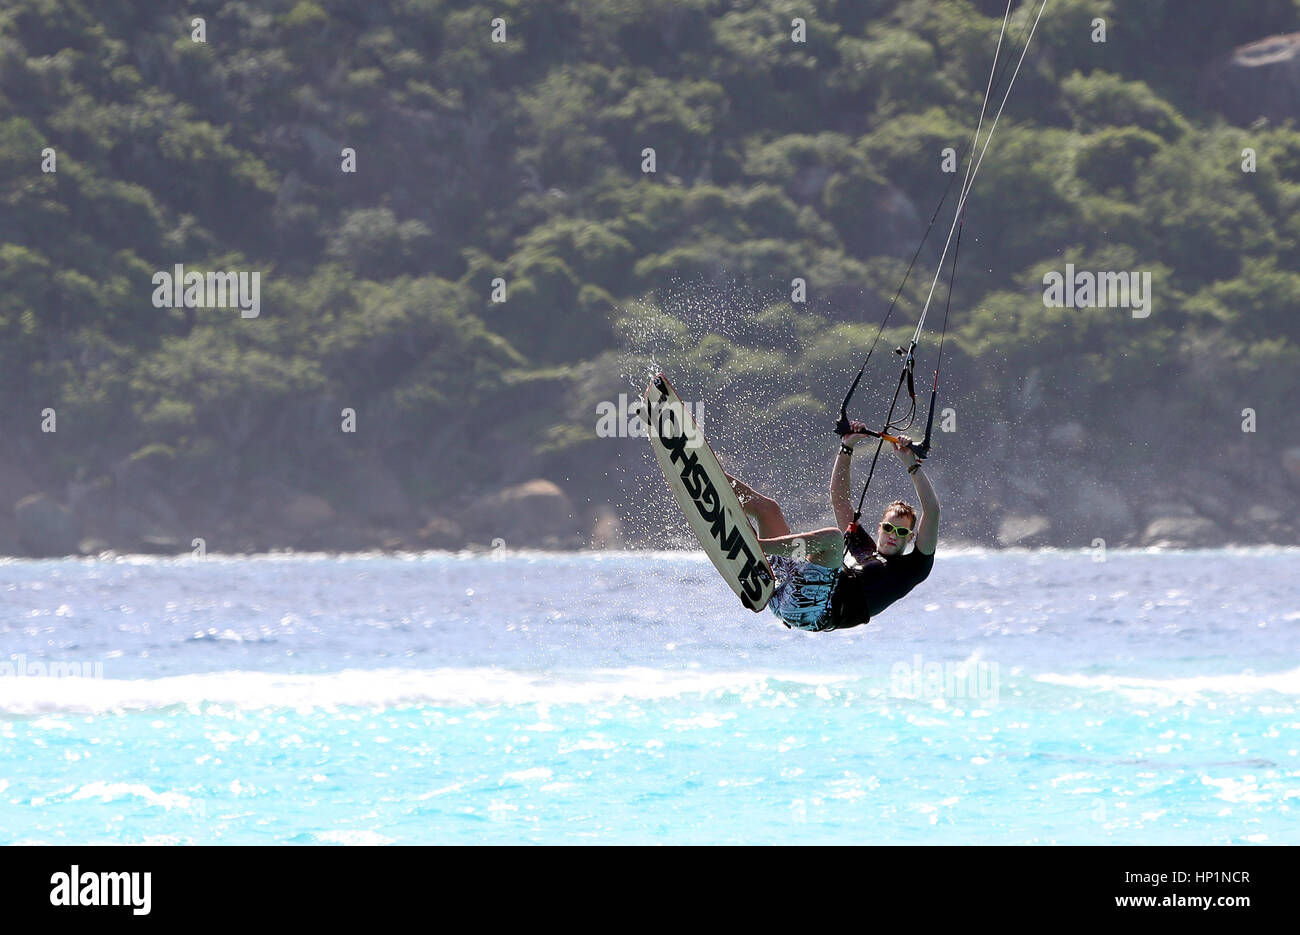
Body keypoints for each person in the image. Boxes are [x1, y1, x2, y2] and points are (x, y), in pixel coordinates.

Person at [725, 423, 938, 631]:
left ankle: (756, 548)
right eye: (890, 528)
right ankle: (705, 475)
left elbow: (932, 510)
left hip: (814, 613)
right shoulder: (864, 550)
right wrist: (846, 447)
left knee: (834, 538)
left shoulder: (914, 568)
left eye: (901, 532)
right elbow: (840, 501)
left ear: (910, 537)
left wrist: (912, 465)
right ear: (880, 528)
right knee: (768, 509)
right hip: (787, 591)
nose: (894, 535)